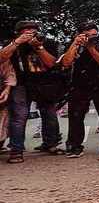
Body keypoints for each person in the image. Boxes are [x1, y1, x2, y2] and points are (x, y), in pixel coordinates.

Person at [0, 21, 65, 162]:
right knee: (19, 117)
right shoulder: (13, 43)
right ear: (18, 33)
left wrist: (39, 47)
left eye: (33, 31)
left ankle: (50, 144)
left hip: (45, 84)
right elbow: (1, 57)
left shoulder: (47, 43)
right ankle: (16, 150)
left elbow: (51, 63)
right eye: (26, 32)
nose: (30, 34)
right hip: (21, 84)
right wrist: (17, 43)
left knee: (49, 115)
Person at [59, 22, 99, 158]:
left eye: (95, 35)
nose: (92, 37)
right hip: (79, 86)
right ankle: (74, 145)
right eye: (88, 35)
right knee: (76, 117)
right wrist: (76, 43)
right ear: (78, 34)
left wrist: (90, 47)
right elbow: (66, 62)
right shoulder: (73, 46)